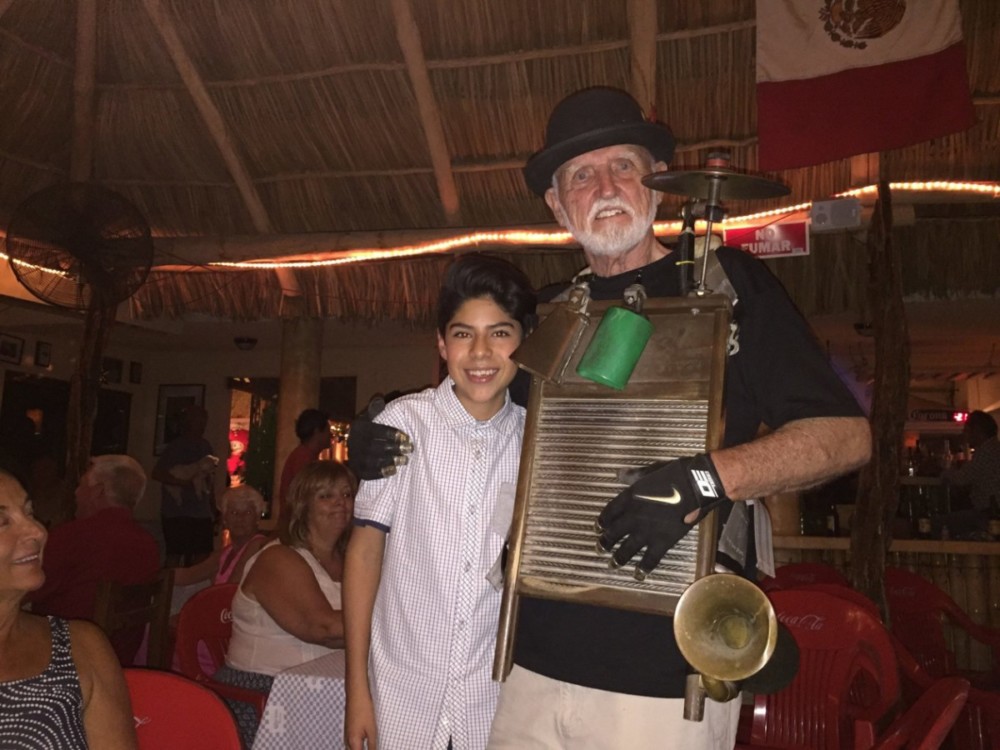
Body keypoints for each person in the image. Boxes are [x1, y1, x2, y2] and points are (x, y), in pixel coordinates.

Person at [479, 86, 872, 749]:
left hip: (668, 679)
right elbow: (476, 433)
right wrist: (395, 436)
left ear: (656, 186)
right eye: (581, 175)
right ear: (556, 204)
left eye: (623, 166)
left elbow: (846, 437)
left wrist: (705, 479)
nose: (605, 185)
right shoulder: (544, 316)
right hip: (527, 669)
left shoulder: (727, 290)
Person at [344, 254, 536, 750]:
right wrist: (357, 689)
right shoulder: (405, 424)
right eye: (462, 333)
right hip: (400, 689)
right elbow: (364, 554)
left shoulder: (534, 440)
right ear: (441, 343)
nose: (480, 353)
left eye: (499, 333)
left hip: (493, 693)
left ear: (523, 342)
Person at [214, 460, 354, 747]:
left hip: (326, 689)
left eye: (347, 494)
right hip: (264, 695)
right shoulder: (278, 557)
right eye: (326, 496)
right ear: (302, 505)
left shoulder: (349, 558)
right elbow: (323, 629)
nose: (341, 503)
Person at [0, 470, 137, 748]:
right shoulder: (143, 539)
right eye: (2, 521)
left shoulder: (81, 647)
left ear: (98, 493)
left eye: (30, 511)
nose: (38, 530)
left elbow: (48, 588)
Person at [27, 455, 160, 625]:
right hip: (120, 650)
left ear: (98, 491)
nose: (75, 493)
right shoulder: (149, 545)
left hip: (64, 646)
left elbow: (22, 590)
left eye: (81, 486)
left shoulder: (74, 536)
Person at [153, 404, 217, 566]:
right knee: (175, 555)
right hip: (177, 512)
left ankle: (195, 590)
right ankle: (167, 589)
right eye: (198, 420)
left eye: (204, 420)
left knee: (202, 556)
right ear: (188, 422)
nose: (202, 424)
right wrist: (182, 483)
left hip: (201, 512)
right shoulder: (176, 447)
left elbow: (209, 479)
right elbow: (157, 473)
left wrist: (212, 506)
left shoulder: (206, 446)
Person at [173, 484, 267, 588]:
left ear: (257, 518)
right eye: (234, 512)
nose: (240, 518)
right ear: (225, 519)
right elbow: (188, 575)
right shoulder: (225, 553)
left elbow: (230, 589)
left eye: (248, 512)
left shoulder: (258, 545)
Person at [942, 410, 1000, 531]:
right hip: (990, 510)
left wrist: (944, 470)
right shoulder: (994, 448)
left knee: (941, 524)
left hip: (989, 513)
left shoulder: (984, 452)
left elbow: (961, 479)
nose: (965, 434)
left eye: (967, 430)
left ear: (977, 430)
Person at [277, 408, 331, 522]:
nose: (330, 435)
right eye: (327, 430)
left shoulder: (303, 455)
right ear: (317, 432)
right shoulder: (304, 459)